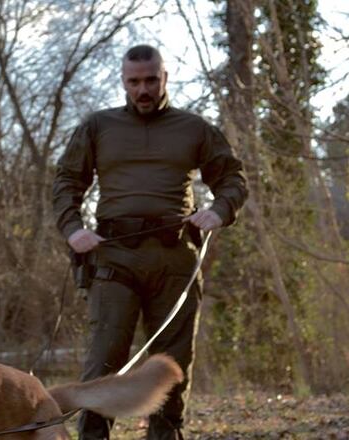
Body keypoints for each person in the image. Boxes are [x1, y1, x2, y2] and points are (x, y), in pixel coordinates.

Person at [52, 44, 248, 440]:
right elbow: (67, 182)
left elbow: (232, 179)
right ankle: (93, 436)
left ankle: (166, 435)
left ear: (165, 78)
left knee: (173, 364)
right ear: (124, 81)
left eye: (151, 80)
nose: (142, 89)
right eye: (134, 81)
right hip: (114, 257)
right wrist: (73, 229)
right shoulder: (98, 126)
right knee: (104, 361)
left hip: (174, 259)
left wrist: (219, 210)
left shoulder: (193, 128)